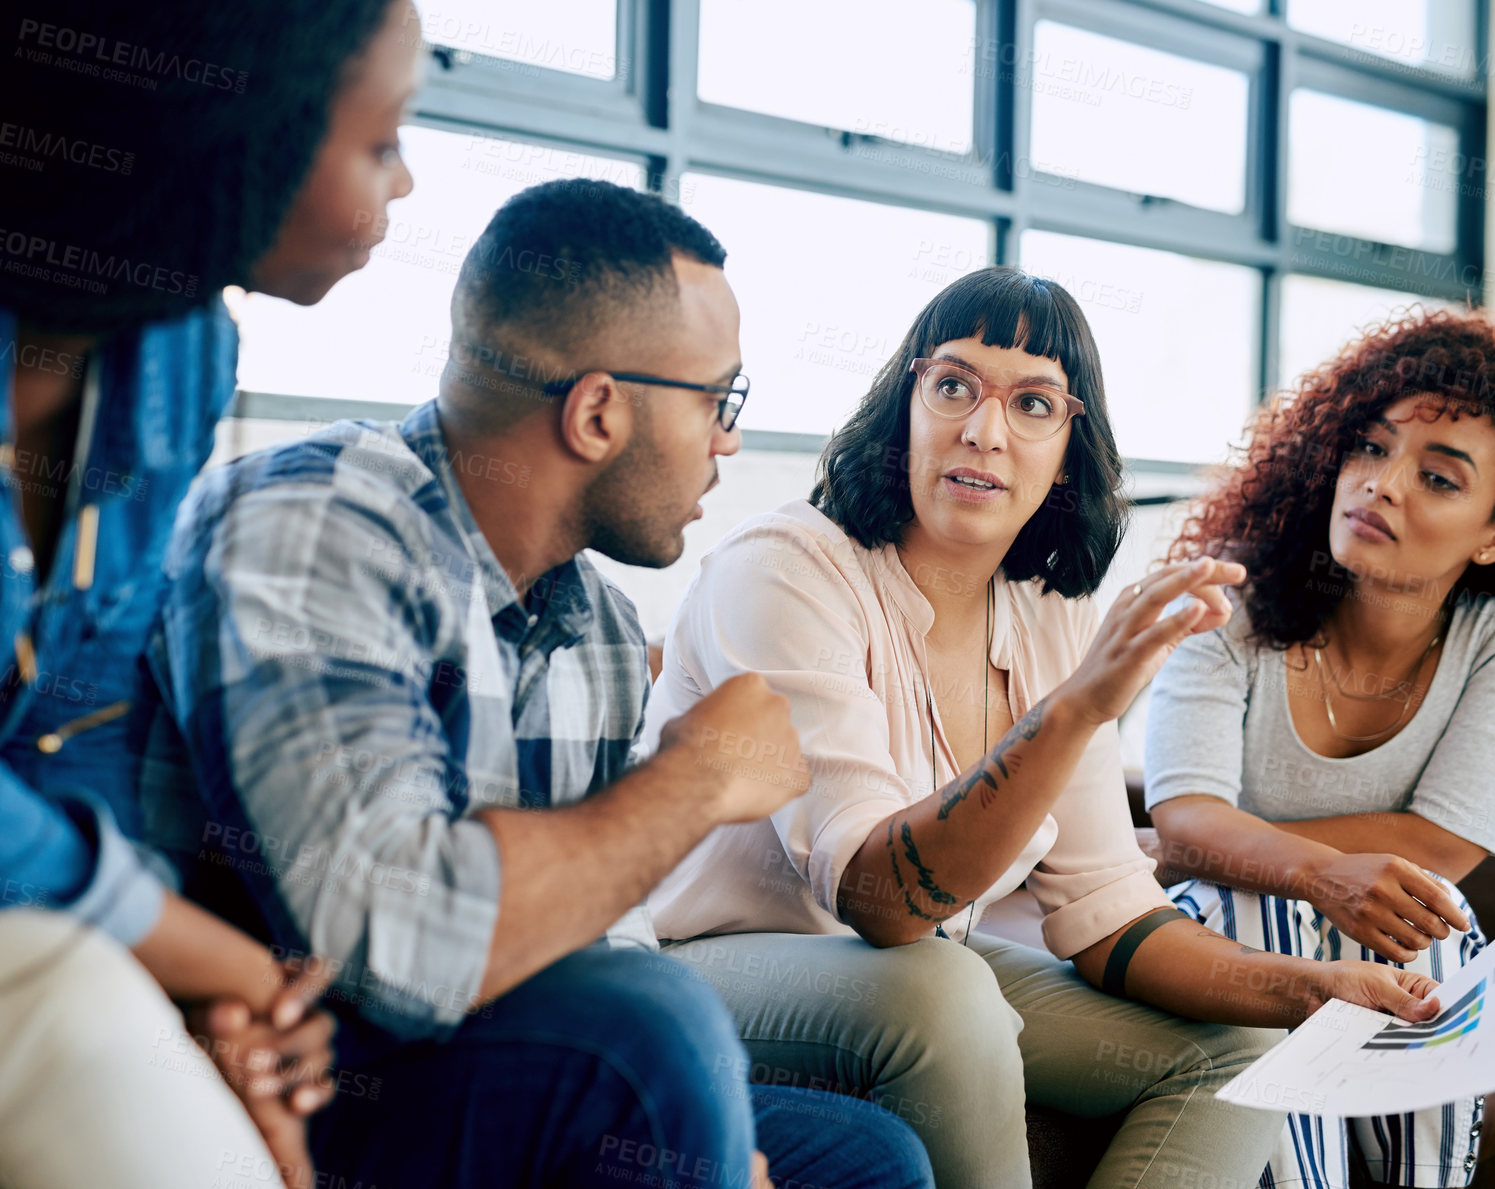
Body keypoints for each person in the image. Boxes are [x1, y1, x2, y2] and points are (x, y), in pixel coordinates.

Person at [145, 177, 934, 1189]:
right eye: (719, 400)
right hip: (271, 1082)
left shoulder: (597, 627)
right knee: (651, 1033)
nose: (728, 441)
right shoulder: (317, 524)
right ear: (599, 411)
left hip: (458, 1053)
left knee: (868, 1158)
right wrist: (695, 778)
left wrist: (728, 1149)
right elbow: (400, 946)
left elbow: (598, 940)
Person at [640, 266, 1446, 1189]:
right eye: (952, 386)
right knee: (945, 989)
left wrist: (1305, 987)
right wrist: (1078, 709)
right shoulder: (787, 568)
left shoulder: (1047, 609)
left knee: (1239, 1043)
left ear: (1069, 447)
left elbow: (1110, 912)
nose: (982, 428)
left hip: (914, 973)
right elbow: (880, 897)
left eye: (1032, 404)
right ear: (904, 403)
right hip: (706, 966)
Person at [0, 0, 423, 1185]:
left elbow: (71, 731)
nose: (407, 182)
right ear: (230, 127)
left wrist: (192, 1010)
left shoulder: (183, 346)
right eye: (382, 140)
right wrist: (195, 952)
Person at [1143, 307, 1495, 1188]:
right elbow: (1182, 818)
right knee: (1286, 909)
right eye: (1369, 447)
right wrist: (1274, 866)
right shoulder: (1231, 598)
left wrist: (1241, 843)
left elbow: (1447, 840)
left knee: (1426, 907)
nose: (1382, 483)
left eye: (1439, 478)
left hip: (1383, 929)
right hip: (1220, 928)